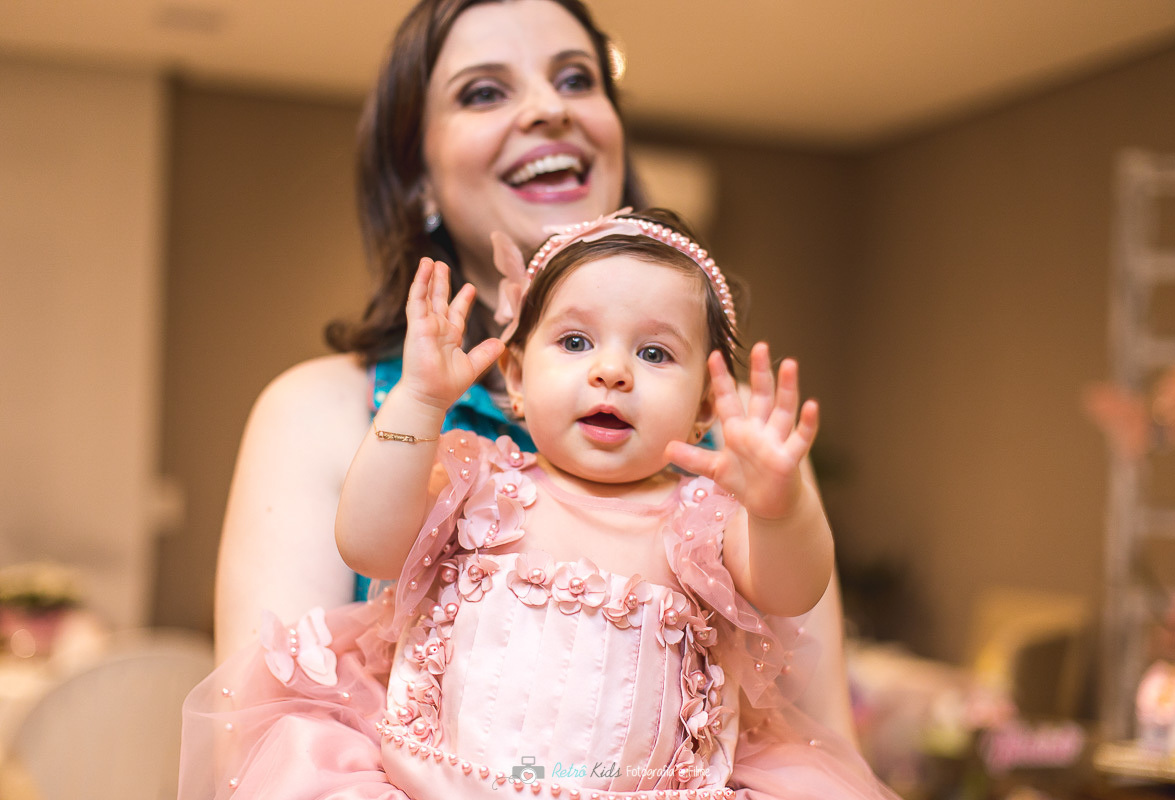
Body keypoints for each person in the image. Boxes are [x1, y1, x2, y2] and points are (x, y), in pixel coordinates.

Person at [212, 0, 860, 749]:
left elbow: (820, 734)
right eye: (484, 91)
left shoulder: (740, 450)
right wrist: (422, 401)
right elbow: (261, 738)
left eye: (576, 79)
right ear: (417, 174)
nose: (550, 108)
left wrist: (779, 503)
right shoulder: (338, 416)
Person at [181, 209, 894, 799]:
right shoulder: (480, 481)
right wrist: (420, 400)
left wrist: (777, 507)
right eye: (576, 341)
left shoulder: (702, 517)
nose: (611, 370)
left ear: (705, 405)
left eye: (654, 354)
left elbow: (791, 588)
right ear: (517, 377)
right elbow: (367, 543)